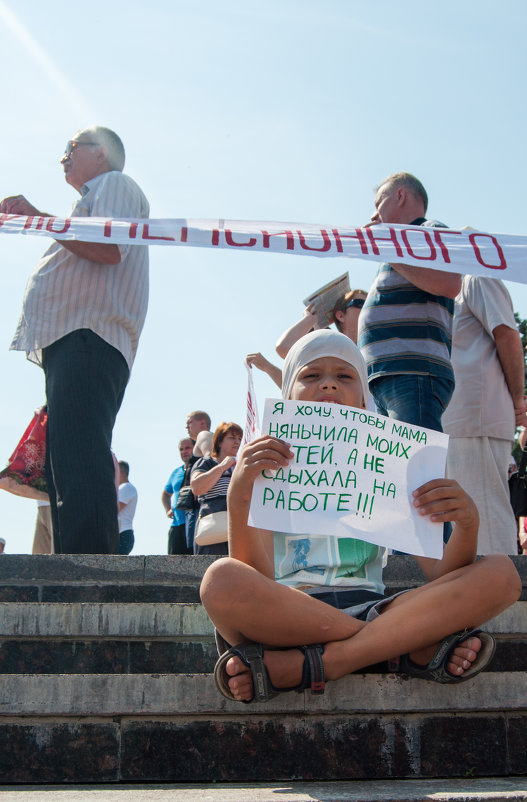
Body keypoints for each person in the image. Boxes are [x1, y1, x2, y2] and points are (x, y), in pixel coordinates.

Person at [200, 329, 521, 704]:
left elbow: (444, 577)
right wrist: (240, 494)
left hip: (375, 605)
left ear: (364, 398)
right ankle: (401, 646)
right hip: (293, 615)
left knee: (501, 575)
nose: (329, 385)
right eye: (311, 375)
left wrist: (468, 526)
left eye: (344, 375)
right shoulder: (266, 469)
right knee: (220, 580)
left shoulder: (394, 466)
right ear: (287, 392)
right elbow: (254, 576)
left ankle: (323, 662)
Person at [1, 127, 149, 554]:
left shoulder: (115, 184)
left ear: (100, 153)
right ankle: (75, 561)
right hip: (75, 340)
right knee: (65, 460)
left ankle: (87, 569)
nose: (62, 158)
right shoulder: (93, 196)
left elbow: (107, 248)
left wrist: (38, 217)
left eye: (71, 148)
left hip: (90, 336)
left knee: (80, 455)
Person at [358, 172, 461, 432]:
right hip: (390, 376)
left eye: (378, 203)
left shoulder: (428, 230)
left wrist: (388, 252)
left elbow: (450, 284)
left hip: (412, 372)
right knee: (396, 469)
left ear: (400, 195)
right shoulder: (401, 246)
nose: (373, 216)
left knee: (416, 467)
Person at [442, 276, 527, 555]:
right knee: (464, 522)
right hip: (459, 419)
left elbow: (507, 334)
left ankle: (499, 596)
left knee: (486, 520)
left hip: (475, 417)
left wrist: (517, 399)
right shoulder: (446, 282)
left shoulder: (475, 274)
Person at [190, 422, 243, 556]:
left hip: (239, 528)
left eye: (239, 439)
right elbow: (197, 487)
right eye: (232, 438)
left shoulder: (242, 466)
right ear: (219, 442)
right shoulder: (207, 462)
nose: (237, 442)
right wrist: (222, 467)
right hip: (213, 528)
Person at [162, 437, 194, 555]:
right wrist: (168, 510)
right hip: (176, 524)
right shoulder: (176, 472)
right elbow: (165, 494)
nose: (184, 452)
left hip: (193, 523)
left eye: (187, 448)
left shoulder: (199, 468)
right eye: (181, 449)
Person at [117, 461, 137, 555]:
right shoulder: (125, 488)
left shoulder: (126, 487)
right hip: (121, 534)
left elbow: (114, 510)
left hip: (123, 534)